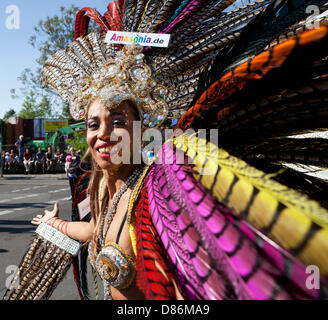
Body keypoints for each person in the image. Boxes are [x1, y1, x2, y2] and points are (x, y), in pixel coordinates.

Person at [6, 0, 328, 301]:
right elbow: (95, 230)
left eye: (117, 121)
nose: (103, 134)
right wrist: (56, 225)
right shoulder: (104, 187)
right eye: (93, 124)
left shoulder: (155, 191)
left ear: (141, 131)